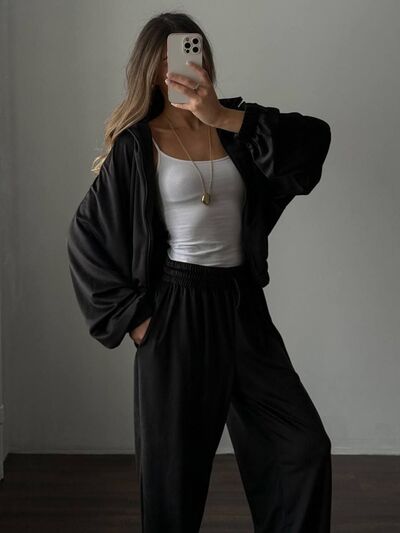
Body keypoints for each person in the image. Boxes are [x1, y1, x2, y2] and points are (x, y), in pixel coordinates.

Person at [67, 11, 332, 533]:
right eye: (171, 57)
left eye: (194, 51)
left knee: (301, 446)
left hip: (241, 305)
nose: (186, 65)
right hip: (176, 310)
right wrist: (135, 319)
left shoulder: (237, 126)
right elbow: (86, 237)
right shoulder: (137, 144)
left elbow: (314, 141)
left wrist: (223, 117)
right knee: (174, 476)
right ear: (152, 69)